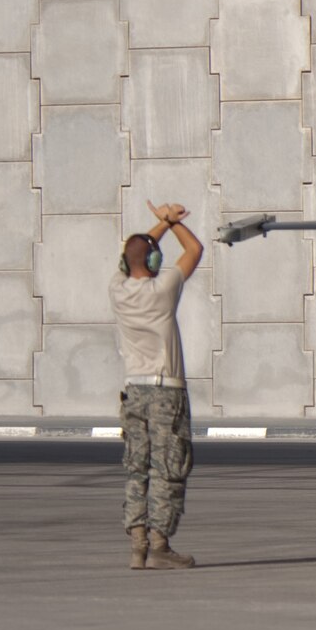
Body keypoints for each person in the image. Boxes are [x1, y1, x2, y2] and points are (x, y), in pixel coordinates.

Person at [110, 200, 203, 569]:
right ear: (153, 264)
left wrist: (159, 224)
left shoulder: (116, 289)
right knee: (169, 467)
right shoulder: (163, 289)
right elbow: (194, 250)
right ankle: (160, 544)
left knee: (137, 467)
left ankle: (137, 543)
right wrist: (173, 222)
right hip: (166, 390)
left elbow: (133, 252)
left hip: (133, 392)